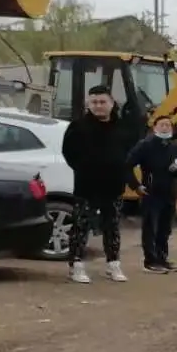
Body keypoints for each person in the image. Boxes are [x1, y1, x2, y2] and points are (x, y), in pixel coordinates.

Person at [61, 85, 130, 284]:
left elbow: (129, 152)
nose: (98, 106)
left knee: (113, 226)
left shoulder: (122, 127)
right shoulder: (78, 126)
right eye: (94, 102)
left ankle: (113, 264)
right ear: (88, 104)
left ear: (112, 103)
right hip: (87, 186)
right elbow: (69, 153)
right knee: (81, 227)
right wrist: (85, 169)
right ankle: (76, 266)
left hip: (114, 186)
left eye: (102, 102)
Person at [125, 115, 177, 273]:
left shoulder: (174, 147)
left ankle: (162, 258)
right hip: (151, 193)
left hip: (169, 193)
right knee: (150, 227)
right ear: (155, 127)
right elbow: (127, 165)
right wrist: (136, 186)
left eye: (168, 125)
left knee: (165, 228)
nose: (166, 127)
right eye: (162, 125)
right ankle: (150, 261)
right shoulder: (145, 145)